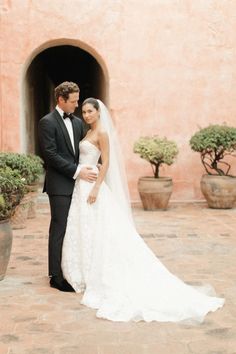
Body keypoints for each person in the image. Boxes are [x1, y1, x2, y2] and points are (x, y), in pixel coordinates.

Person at [61, 98, 224, 322]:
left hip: (92, 187)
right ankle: (86, 270)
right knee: (86, 227)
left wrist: (97, 187)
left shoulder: (103, 134)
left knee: (100, 229)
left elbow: (106, 162)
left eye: (90, 111)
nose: (86, 115)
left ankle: (99, 273)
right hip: (81, 185)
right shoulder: (87, 132)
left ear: (99, 113)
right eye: (84, 111)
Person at [38, 82, 97, 292]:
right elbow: (51, 155)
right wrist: (77, 171)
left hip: (80, 185)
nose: (77, 104)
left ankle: (73, 269)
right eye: (73, 101)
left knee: (75, 227)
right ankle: (56, 275)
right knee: (59, 228)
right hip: (60, 184)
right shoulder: (47, 122)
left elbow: (84, 150)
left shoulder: (79, 123)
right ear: (61, 100)